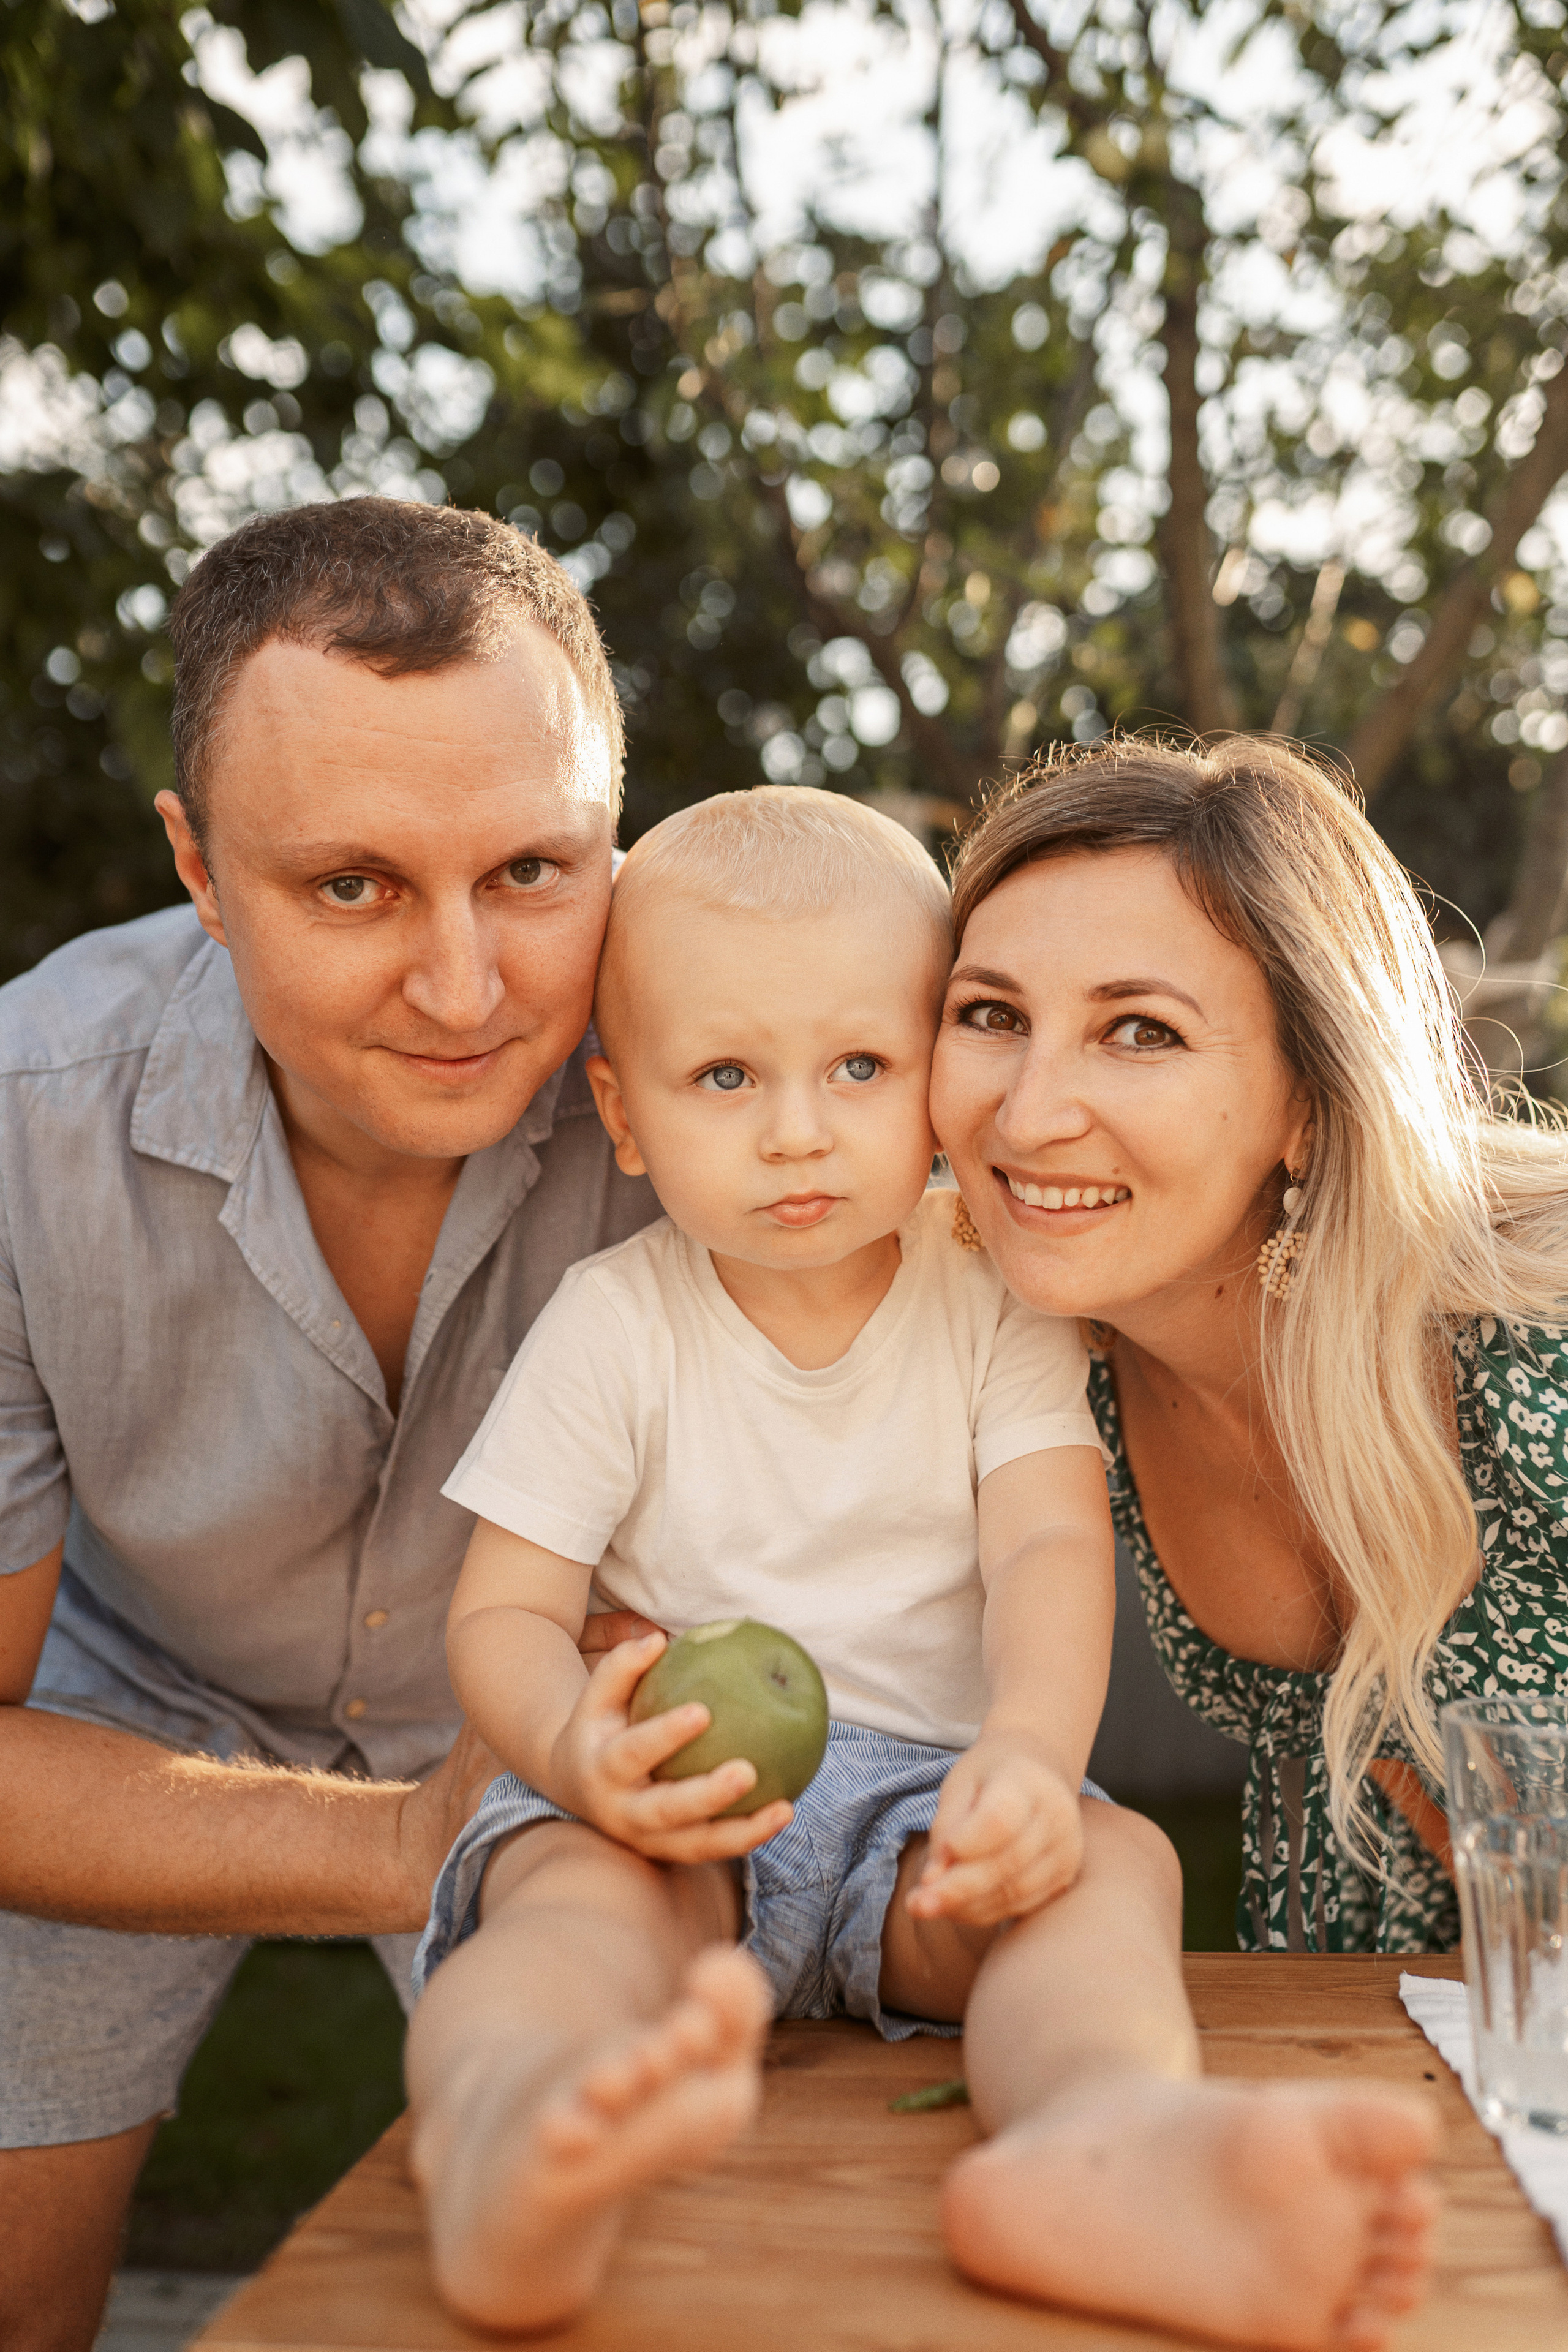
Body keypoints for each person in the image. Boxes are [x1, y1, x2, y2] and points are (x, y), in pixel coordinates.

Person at [402, 786, 1440, 2352]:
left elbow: (1040, 1536)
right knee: (559, 1924)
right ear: (623, 1116)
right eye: (725, 1075)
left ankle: (1099, 2145)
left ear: (925, 1083)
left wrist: (1028, 1759)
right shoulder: (617, 1324)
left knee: (1108, 1874)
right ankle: (501, 2134)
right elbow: (506, 1612)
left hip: (924, 1832)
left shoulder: (984, 1292)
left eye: (861, 1067)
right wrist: (579, 1756)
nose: (796, 1129)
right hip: (674, 1802)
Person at [0, 497, 660, 2352]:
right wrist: (392, 1844)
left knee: (680, 2257)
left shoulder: (729, 1071)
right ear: (200, 871)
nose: (466, 990)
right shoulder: (15, 1128)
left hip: (557, 1681)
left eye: (534, 873)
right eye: (353, 886)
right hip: (120, 1702)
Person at [930, 732, 1568, 1956]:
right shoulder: (1037, 1368)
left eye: (1140, 1032)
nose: (1025, 1113)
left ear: (1307, 1100)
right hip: (1368, 2018)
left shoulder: (1529, 1348)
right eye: (990, 1015)